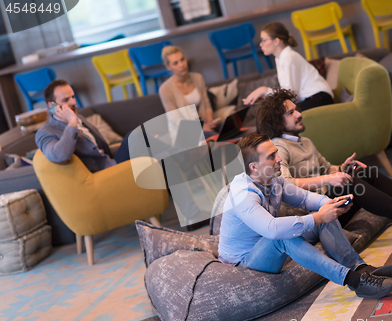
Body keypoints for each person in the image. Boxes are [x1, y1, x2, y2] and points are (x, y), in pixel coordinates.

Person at [257, 88, 392, 234]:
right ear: (277, 121)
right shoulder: (278, 148)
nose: (299, 114)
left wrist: (342, 168)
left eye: (297, 109)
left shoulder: (305, 142)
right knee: (351, 182)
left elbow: (326, 167)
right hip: (317, 211)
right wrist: (330, 178)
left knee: (362, 171)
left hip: (329, 197)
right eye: (291, 113)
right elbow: (287, 185)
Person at [218, 133, 392, 299]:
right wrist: (319, 217)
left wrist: (330, 204)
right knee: (286, 236)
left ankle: (360, 269)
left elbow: (304, 198)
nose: (280, 159)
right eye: (272, 156)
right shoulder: (242, 194)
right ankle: (354, 281)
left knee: (321, 215)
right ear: (254, 167)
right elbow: (272, 230)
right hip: (244, 263)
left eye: (277, 153)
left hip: (265, 244)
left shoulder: (274, 180)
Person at [36, 79, 208, 226]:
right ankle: (185, 156)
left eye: (73, 97)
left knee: (164, 158)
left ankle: (192, 216)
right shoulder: (47, 132)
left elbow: (103, 150)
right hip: (103, 178)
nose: (73, 102)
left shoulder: (80, 118)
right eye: (66, 100)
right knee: (137, 135)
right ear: (52, 106)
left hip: (113, 164)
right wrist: (71, 123)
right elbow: (59, 155)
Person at [243, 22, 333, 111]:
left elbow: (290, 95)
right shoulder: (280, 58)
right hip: (313, 98)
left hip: (320, 97)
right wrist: (266, 96)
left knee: (284, 116)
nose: (261, 44)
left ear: (276, 41)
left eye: (264, 40)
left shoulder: (288, 57)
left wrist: (264, 90)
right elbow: (287, 93)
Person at [159, 45, 219, 139]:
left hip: (204, 128)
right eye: (175, 63)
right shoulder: (165, 89)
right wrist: (202, 128)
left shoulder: (198, 78)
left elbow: (207, 106)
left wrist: (210, 123)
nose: (181, 65)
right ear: (168, 67)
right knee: (214, 139)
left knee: (224, 132)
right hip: (183, 134)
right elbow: (176, 120)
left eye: (182, 59)